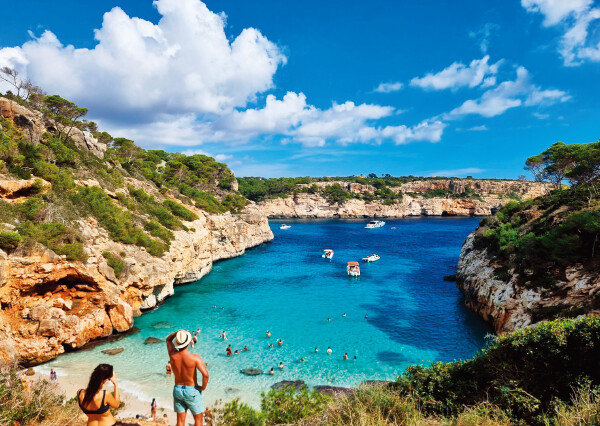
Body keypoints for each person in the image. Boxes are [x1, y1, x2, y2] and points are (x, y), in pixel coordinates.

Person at [167, 330, 209, 426]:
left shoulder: (172, 355)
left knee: (180, 421)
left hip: (177, 389)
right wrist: (203, 387)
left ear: (178, 343)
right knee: (198, 420)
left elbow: (168, 340)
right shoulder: (194, 357)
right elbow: (205, 375)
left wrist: (177, 333)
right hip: (191, 391)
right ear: (188, 342)